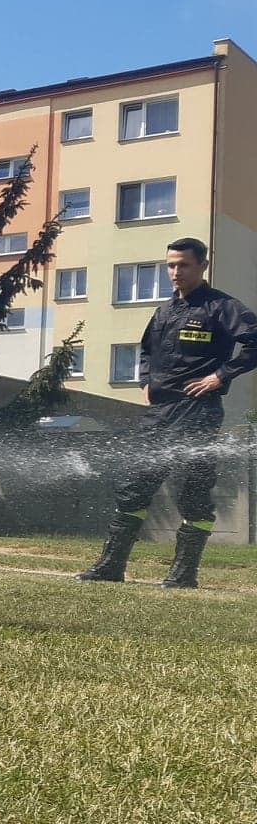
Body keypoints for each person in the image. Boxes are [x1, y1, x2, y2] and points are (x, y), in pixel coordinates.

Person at [77, 237, 257, 589]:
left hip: (198, 412)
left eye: (184, 265)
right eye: (171, 265)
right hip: (158, 414)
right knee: (134, 487)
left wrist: (220, 376)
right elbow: (146, 350)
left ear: (203, 266)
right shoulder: (163, 312)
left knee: (193, 492)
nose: (176, 272)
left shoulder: (222, 307)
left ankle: (183, 574)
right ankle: (110, 566)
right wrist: (146, 380)